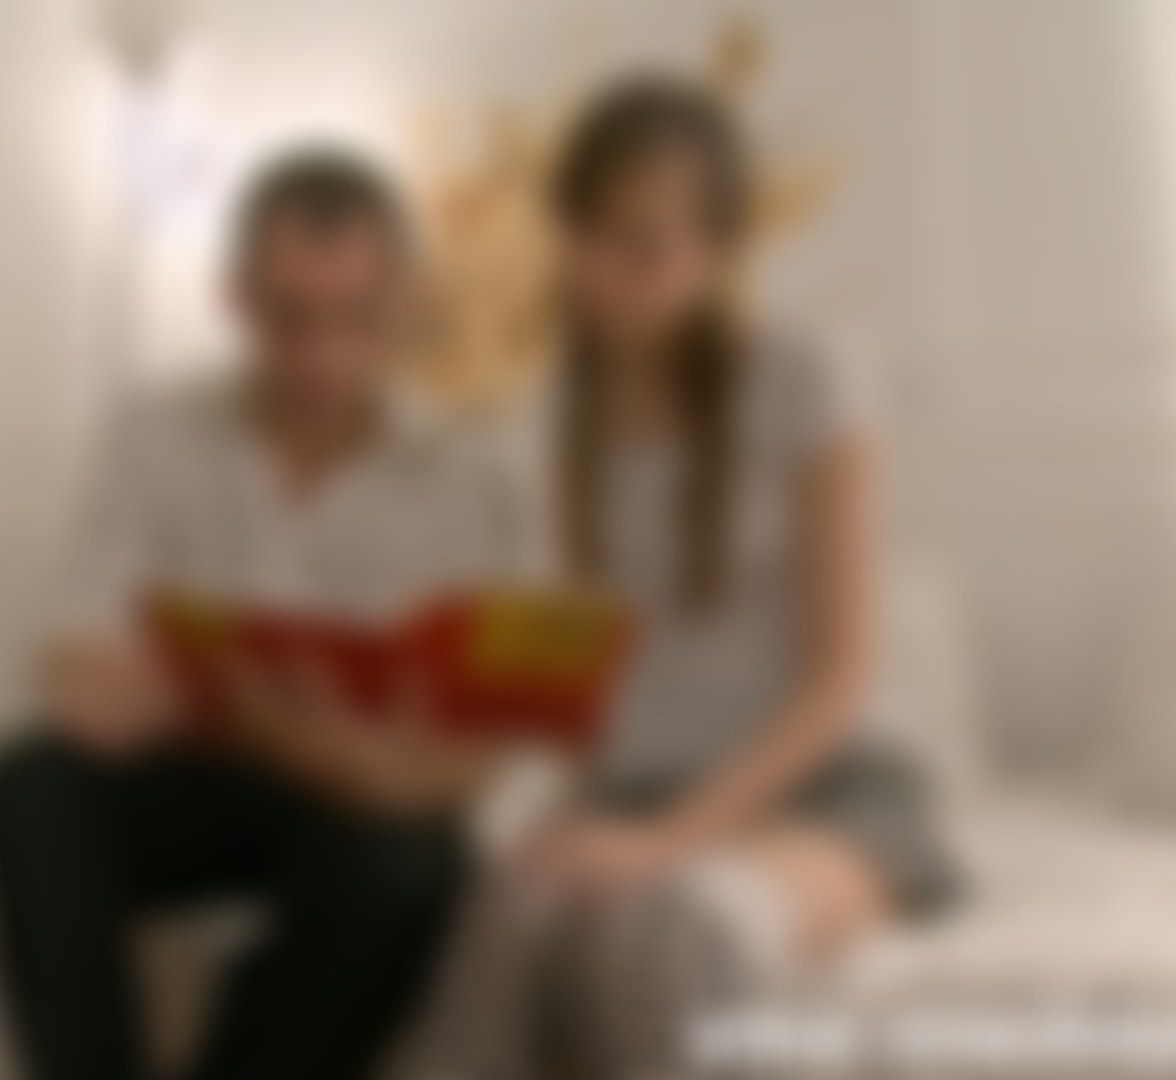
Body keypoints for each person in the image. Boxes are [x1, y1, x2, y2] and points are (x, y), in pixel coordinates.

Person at [395, 75, 963, 1079]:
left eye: (643, 246)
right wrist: (564, 817)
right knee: (494, 930)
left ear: (718, 252)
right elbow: (600, 675)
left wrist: (670, 842)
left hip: (826, 790)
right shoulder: (555, 411)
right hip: (637, 787)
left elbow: (843, 679)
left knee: (660, 943)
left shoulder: (804, 376)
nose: (600, 271)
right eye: (585, 234)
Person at [0, 148, 538, 1080]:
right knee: (24, 784)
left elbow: (497, 733)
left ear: (402, 302)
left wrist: (391, 766)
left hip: (363, 793)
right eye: (288, 319)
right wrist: (91, 679)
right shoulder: (154, 425)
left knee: (404, 864)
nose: (322, 357)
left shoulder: (476, 469)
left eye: (356, 319)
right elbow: (77, 616)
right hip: (197, 768)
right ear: (235, 297)